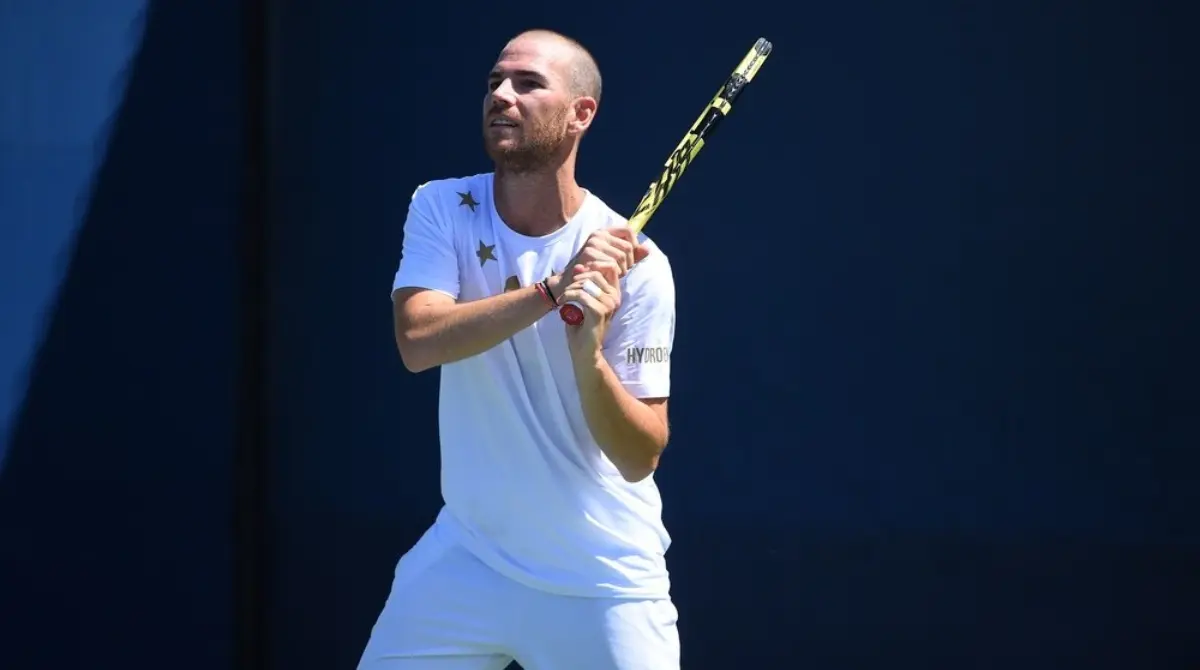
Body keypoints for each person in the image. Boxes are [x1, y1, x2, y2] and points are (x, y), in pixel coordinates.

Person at [356, 29, 680, 670]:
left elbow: (640, 453)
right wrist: (551, 290)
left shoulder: (641, 269)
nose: (501, 96)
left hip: (602, 580)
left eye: (528, 84)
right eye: (494, 83)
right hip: (467, 559)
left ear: (580, 115)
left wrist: (585, 350)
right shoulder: (442, 207)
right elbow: (418, 342)